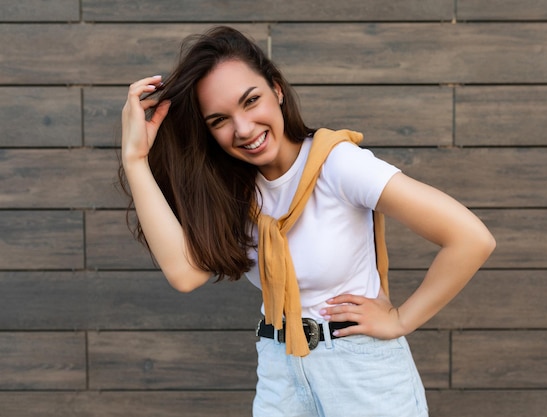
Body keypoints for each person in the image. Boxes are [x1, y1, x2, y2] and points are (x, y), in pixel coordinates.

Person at [119, 26, 495, 417]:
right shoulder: (232, 190)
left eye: (251, 101)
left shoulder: (337, 164)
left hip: (361, 377)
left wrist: (401, 320)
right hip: (281, 374)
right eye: (220, 120)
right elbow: (185, 274)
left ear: (277, 90)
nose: (243, 129)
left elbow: (470, 238)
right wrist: (135, 160)